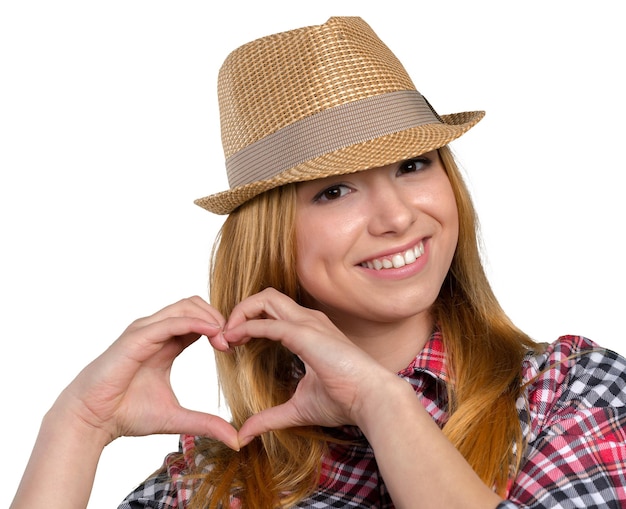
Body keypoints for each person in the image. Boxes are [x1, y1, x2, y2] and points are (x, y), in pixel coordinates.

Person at [9, 16, 626, 509]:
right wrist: (77, 425)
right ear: (273, 239)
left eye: (412, 166)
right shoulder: (211, 484)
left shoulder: (571, 393)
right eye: (334, 190)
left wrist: (380, 403)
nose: (396, 216)